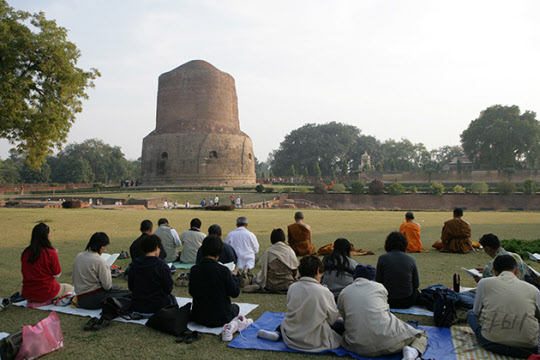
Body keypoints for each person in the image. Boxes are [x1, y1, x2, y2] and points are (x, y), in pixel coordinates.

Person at [338, 264, 428, 359]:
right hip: (389, 345)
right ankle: (412, 351)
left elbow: (345, 319)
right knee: (420, 335)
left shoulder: (344, 292)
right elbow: (385, 311)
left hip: (357, 347)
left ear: (354, 278)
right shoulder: (379, 287)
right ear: (373, 278)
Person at [467, 255, 540, 358]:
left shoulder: (484, 282)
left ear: (495, 272)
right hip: (529, 346)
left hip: (491, 341)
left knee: (470, 314)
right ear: (516, 271)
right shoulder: (534, 290)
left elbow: (476, 312)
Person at [279, 255, 342, 352]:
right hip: (315, 339)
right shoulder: (324, 292)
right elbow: (332, 319)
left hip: (292, 337)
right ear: (318, 271)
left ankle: (277, 333)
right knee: (341, 324)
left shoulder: (293, 287)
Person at [458, 233, 532, 309]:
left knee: (461, 296)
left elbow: (486, 288)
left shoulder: (491, 265)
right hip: (519, 295)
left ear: (488, 248)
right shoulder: (517, 257)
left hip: (500, 299)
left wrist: (480, 281)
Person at [189, 235, 240, 327]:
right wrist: (234, 277)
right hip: (221, 317)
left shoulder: (194, 269)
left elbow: (192, 292)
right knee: (235, 307)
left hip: (198, 316)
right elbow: (235, 292)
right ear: (219, 251)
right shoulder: (223, 270)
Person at [72, 232, 131, 309]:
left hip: (80, 298)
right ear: (101, 247)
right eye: (105, 247)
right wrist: (106, 269)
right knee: (127, 294)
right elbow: (107, 286)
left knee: (119, 291)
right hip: (94, 299)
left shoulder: (79, 256)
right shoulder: (99, 261)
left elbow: (74, 279)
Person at [21, 223, 74, 303]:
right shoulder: (50, 252)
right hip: (47, 292)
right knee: (69, 288)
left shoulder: (26, 252)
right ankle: (46, 301)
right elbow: (57, 274)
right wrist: (55, 255)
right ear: (47, 235)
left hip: (28, 293)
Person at [128, 235, 177, 313]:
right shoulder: (162, 266)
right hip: (158, 306)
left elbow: (131, 286)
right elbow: (168, 288)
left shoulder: (134, 265)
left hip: (138, 305)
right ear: (156, 248)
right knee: (171, 298)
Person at [376, 232, 420, 308]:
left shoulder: (382, 258)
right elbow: (416, 284)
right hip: (408, 301)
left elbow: (378, 281)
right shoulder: (411, 259)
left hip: (387, 300)